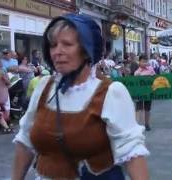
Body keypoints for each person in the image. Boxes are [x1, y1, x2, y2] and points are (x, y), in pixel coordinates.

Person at [11, 13, 149, 179]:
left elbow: (132, 152)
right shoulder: (44, 87)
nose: (57, 52)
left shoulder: (111, 92)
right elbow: (25, 141)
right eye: (53, 45)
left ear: (86, 50)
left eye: (67, 44)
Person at [134, 54, 155, 131]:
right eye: (143, 61)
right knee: (138, 108)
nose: (144, 63)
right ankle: (136, 125)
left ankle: (147, 124)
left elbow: (155, 79)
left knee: (147, 108)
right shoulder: (137, 72)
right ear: (139, 62)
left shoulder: (151, 69)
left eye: (146, 61)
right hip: (139, 92)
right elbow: (134, 81)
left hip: (148, 91)